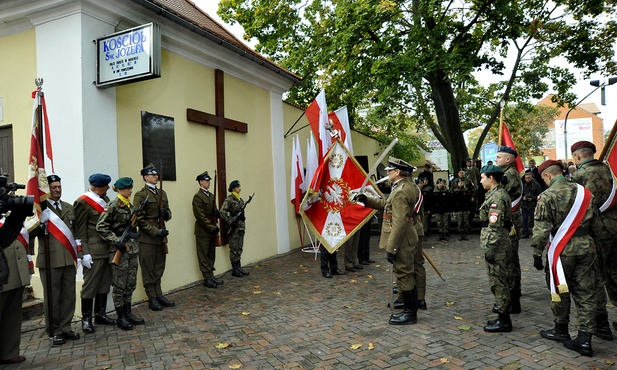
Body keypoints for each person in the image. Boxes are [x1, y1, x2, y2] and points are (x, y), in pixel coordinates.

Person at [532, 159, 602, 357]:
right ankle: (585, 339)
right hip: (587, 247)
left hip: (561, 251)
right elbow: (597, 224)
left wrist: (537, 253)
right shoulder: (585, 193)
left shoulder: (546, 196)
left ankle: (560, 329)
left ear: (547, 175)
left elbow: (541, 229)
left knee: (559, 288)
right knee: (586, 293)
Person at [356, 157, 420, 325]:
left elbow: (399, 222)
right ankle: (409, 309)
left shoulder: (400, 191)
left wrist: (391, 249)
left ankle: (410, 313)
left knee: (404, 274)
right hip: (407, 236)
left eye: (389, 170)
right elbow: (387, 204)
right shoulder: (406, 186)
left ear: (397, 172)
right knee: (405, 273)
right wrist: (367, 200)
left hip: (402, 239)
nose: (387, 173)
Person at [570, 140, 615, 341]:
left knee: (595, 278)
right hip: (615, 229)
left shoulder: (579, 176)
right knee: (615, 272)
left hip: (595, 232)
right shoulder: (610, 171)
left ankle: (601, 324)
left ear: (578, 156)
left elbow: (577, 206)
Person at [29, 174, 80, 346]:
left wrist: (80, 253)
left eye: (59, 187)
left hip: (68, 260)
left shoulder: (68, 207)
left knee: (68, 296)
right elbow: (28, 233)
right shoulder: (40, 210)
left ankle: (66, 327)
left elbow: (76, 232)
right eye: (53, 188)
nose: (57, 190)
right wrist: (39, 223)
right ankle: (54, 330)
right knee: (52, 297)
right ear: (47, 190)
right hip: (49, 260)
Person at [96, 177, 145, 331]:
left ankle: (128, 313)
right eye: (128, 188)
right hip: (120, 251)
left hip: (132, 249)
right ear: (119, 189)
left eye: (131, 187)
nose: (131, 190)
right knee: (119, 285)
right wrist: (116, 240)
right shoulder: (113, 205)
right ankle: (121, 317)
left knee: (130, 283)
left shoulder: (130, 206)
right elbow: (101, 227)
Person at [73, 173, 116, 334]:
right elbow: (79, 229)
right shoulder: (82, 202)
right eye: (105, 187)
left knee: (104, 283)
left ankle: (100, 314)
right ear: (97, 187)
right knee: (90, 286)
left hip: (107, 248)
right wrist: (83, 253)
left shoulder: (104, 199)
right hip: (93, 250)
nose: (107, 190)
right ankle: (86, 319)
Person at [133, 164, 174, 311]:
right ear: (145, 177)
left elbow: (169, 213)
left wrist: (165, 214)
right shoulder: (141, 195)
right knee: (148, 267)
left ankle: (158, 294)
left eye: (157, 174)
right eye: (153, 174)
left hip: (161, 235)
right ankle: (151, 297)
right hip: (148, 237)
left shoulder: (162, 193)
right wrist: (155, 231)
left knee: (159, 266)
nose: (156, 176)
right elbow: (138, 218)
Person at [478, 165, 514, 332]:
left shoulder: (497, 198)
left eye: (482, 177)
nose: (481, 181)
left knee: (498, 282)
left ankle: (504, 319)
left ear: (491, 178)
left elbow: (495, 226)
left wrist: (491, 248)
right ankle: (502, 315)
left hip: (497, 244)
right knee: (498, 280)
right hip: (497, 242)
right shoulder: (495, 194)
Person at [495, 146, 523, 314]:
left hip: (510, 223)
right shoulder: (506, 174)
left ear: (508, 159)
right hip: (508, 220)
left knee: (510, 260)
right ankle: (512, 296)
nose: (496, 159)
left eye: (499, 157)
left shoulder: (509, 176)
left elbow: (500, 195)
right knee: (509, 259)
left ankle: (512, 300)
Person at [0, 220, 32, 364]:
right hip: (2, 273)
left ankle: (10, 352)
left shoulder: (10, 215)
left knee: (12, 316)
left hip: (15, 272)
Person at [192, 171, 223, 289]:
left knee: (211, 253)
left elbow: (213, 211)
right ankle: (206, 277)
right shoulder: (198, 197)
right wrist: (211, 228)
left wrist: (217, 214)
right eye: (206, 180)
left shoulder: (210, 196)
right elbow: (199, 216)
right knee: (203, 254)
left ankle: (211, 275)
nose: (208, 182)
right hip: (203, 230)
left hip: (212, 228)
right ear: (200, 182)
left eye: (209, 180)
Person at [221, 180, 249, 277]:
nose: (239, 188)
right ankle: (235, 269)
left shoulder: (240, 199)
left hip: (240, 227)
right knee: (234, 248)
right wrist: (230, 221)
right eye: (237, 187)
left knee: (239, 247)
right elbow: (222, 212)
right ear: (233, 188)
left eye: (239, 186)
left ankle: (239, 266)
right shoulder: (229, 199)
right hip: (234, 227)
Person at [521, 171, 542, 239]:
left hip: (533, 205)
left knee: (533, 220)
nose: (527, 179)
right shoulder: (523, 185)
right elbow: (520, 194)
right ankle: (525, 232)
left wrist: (532, 199)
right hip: (524, 205)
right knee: (524, 220)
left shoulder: (536, 185)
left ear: (532, 177)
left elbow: (540, 195)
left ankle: (534, 232)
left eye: (529, 178)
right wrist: (523, 197)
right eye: (526, 178)